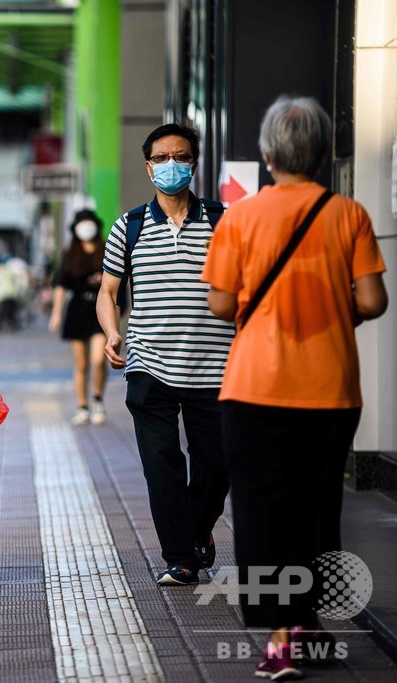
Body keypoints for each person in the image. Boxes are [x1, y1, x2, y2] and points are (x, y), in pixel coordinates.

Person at [203, 96, 387, 680]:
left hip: (255, 387)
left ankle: (283, 639)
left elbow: (222, 302)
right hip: (331, 389)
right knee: (316, 507)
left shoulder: (240, 218)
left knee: (262, 512)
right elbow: (372, 300)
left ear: (267, 153)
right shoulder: (348, 214)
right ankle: (307, 619)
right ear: (326, 153)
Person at [96, 123, 233, 586]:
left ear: (194, 163)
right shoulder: (128, 225)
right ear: (148, 165)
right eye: (161, 157)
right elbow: (108, 290)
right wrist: (112, 332)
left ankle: (196, 534)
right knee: (162, 468)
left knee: (216, 467)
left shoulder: (224, 220)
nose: (171, 164)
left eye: (181, 156)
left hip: (217, 367)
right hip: (149, 365)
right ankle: (181, 557)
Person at [48, 209, 109, 426]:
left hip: (101, 309)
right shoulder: (70, 253)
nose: (86, 227)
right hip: (77, 310)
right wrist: (56, 314)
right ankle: (82, 406)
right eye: (81, 223)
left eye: (89, 222)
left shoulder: (106, 249)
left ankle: (98, 398)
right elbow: (61, 286)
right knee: (81, 363)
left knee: (98, 359)